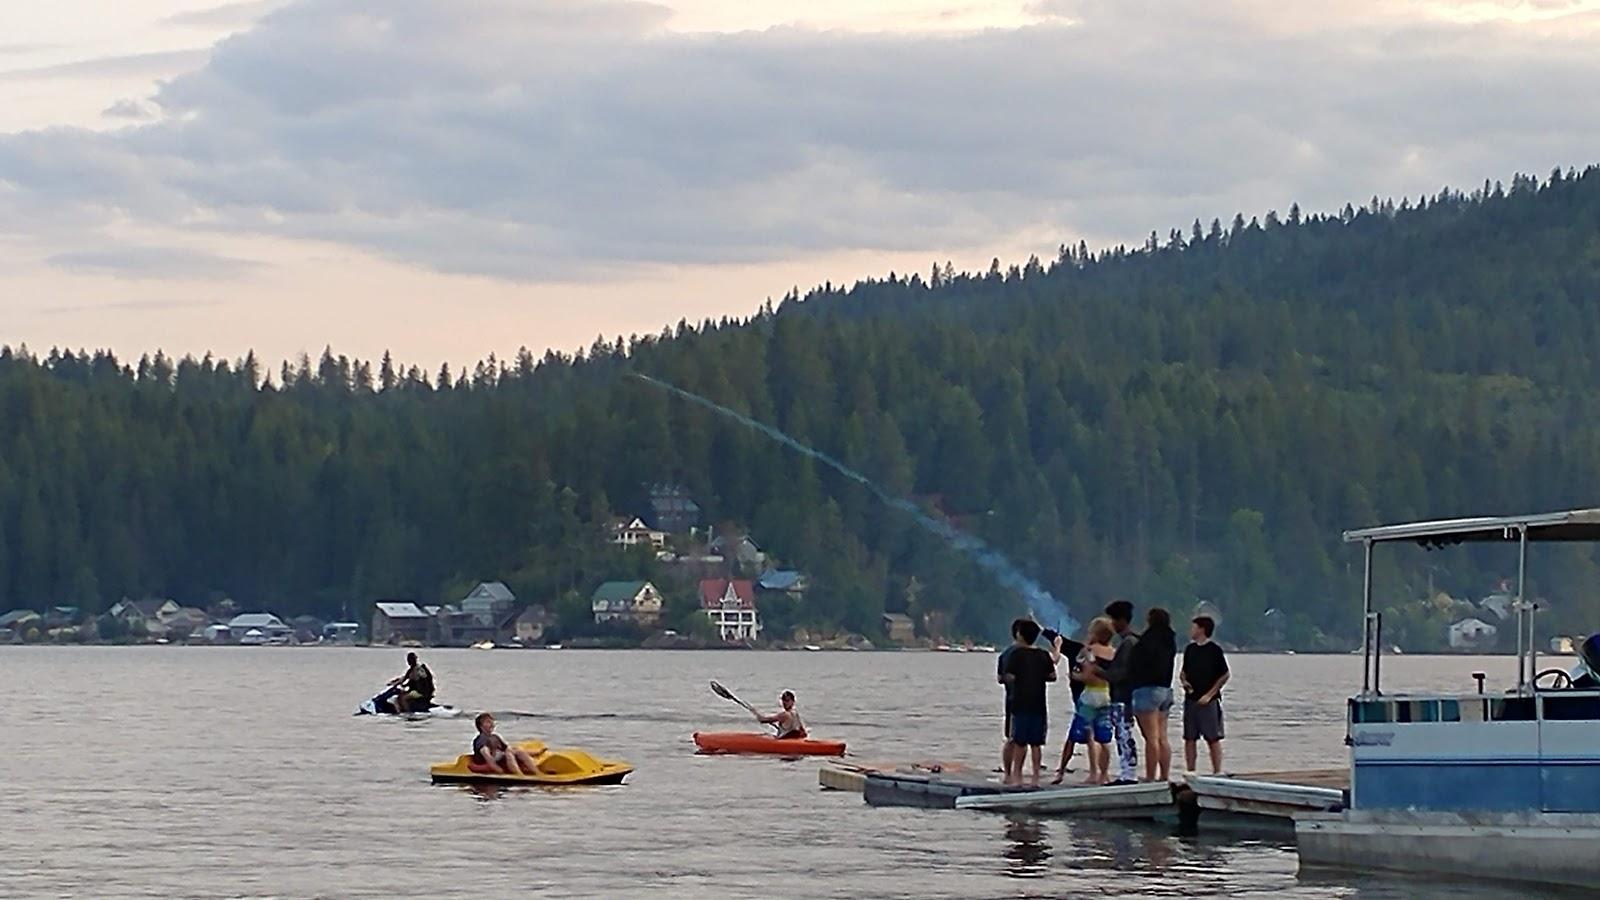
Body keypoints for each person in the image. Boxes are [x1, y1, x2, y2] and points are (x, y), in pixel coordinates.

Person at [1083, 599, 1140, 784]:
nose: (1112, 624)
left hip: (1123, 696)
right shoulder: (1131, 642)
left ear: (1122, 620)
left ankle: (1128, 774)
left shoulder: (1128, 643)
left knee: (1124, 734)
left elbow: (1121, 673)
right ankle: (1127, 771)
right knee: (1122, 734)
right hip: (1124, 695)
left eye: (1113, 619)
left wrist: (1100, 671)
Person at [1002, 619, 1060, 787]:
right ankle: (1035, 777)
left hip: (1019, 703)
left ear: (1019, 634)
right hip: (1039, 704)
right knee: (1036, 744)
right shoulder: (1042, 655)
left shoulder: (1016, 655)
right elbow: (1052, 676)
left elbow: (1009, 676)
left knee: (1020, 742)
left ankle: (1017, 776)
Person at [1128, 607, 1177, 782]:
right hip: (1165, 689)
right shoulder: (1169, 640)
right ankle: (1164, 776)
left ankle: (1150, 777)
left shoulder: (1147, 641)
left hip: (1147, 689)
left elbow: (1136, 661)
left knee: (1151, 738)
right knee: (1162, 737)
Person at [1065, 617, 1116, 785]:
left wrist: (1074, 676)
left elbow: (1087, 675)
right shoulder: (1113, 652)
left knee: (1090, 734)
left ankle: (1093, 772)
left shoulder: (1089, 651)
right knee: (1104, 738)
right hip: (1106, 694)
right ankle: (1105, 774)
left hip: (1090, 695)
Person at [1181, 615, 1230, 774]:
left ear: (1202, 629)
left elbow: (1224, 675)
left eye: (1193, 627)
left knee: (1212, 738)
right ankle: (1191, 770)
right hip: (1191, 699)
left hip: (1209, 701)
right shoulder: (1190, 649)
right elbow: (1184, 671)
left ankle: (1217, 771)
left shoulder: (1214, 650)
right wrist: (1184, 681)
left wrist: (1210, 694)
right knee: (1189, 738)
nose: (1191, 630)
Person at [1049, 628, 1088, 784]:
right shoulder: (1106, 653)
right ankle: (1098, 772)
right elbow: (1056, 638)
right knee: (1097, 739)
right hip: (1098, 698)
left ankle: (1062, 771)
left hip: (1085, 699)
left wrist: (1075, 676)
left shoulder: (1081, 650)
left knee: (1075, 738)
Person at [472, 712, 541, 776]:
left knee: (516, 750)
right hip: (488, 761)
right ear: (481, 726)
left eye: (492, 721)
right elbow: (486, 755)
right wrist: (498, 770)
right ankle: (519, 775)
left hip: (499, 758)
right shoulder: (481, 739)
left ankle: (538, 773)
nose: (492, 724)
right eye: (488, 722)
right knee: (509, 753)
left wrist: (533, 753)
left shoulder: (495, 737)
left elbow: (508, 748)